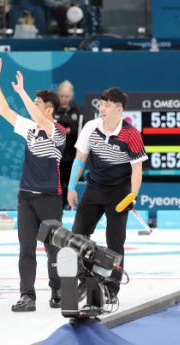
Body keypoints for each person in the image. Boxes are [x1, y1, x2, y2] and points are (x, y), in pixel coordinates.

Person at [0, 57, 65, 312]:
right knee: (26, 248)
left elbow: (41, 121)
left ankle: (58, 291)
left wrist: (22, 91)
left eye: (37, 104)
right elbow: (4, 111)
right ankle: (28, 296)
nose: (32, 108)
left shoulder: (57, 131)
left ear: (48, 110)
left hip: (49, 198)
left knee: (53, 248)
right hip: (26, 196)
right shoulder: (30, 128)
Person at [68, 87, 147, 304]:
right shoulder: (90, 128)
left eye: (107, 105)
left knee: (115, 244)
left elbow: (137, 170)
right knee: (77, 237)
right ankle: (84, 280)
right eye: (101, 104)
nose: (101, 108)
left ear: (119, 109)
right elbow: (80, 159)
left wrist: (132, 197)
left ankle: (112, 289)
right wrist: (71, 187)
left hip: (119, 194)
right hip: (93, 189)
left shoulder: (131, 134)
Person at [54, 80, 83, 209]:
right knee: (57, 184)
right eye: (61, 96)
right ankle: (58, 208)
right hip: (57, 156)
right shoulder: (52, 110)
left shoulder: (79, 110)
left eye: (66, 96)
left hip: (73, 155)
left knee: (71, 183)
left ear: (71, 96)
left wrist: (70, 130)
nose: (63, 99)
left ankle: (71, 207)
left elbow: (84, 130)